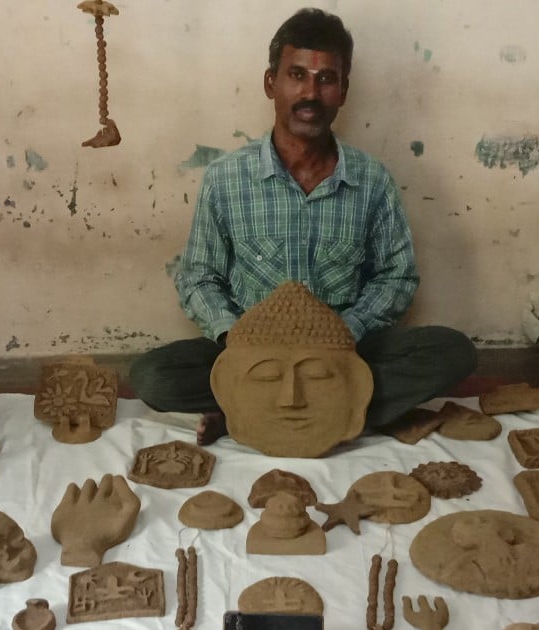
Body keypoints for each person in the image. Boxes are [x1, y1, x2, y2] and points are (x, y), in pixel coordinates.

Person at [131, 7, 476, 445]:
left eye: (326, 79)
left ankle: (251, 413)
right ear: (270, 82)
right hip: (252, 355)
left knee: (452, 352)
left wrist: (346, 329)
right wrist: (236, 335)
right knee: (152, 377)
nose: (310, 93)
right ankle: (325, 410)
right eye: (296, 75)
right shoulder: (226, 178)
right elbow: (199, 276)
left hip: (344, 353)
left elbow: (397, 276)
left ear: (343, 91)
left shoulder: (371, 180)